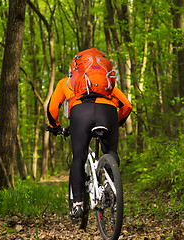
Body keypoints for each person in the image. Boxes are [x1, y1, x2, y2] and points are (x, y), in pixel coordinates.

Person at [46, 55, 132, 218]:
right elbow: (127, 105)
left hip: (81, 113)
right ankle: (108, 183)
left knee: (79, 157)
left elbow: (52, 109)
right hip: (108, 112)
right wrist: (118, 123)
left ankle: (77, 205)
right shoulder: (105, 86)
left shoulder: (66, 82)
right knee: (111, 151)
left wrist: (54, 126)